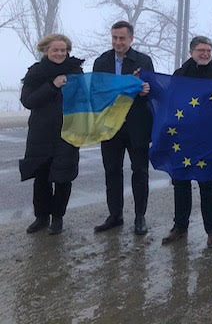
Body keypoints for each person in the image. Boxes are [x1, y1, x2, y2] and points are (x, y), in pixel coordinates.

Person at [161, 36, 212, 248]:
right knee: (180, 184)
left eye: (209, 50)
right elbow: (169, 103)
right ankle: (180, 227)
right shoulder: (179, 75)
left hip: (209, 141)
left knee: (207, 185)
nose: (205, 54)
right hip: (182, 139)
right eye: (201, 50)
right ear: (191, 52)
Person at [93, 21, 154, 235]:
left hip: (137, 125)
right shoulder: (101, 62)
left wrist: (145, 90)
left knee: (140, 172)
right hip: (110, 126)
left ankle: (140, 216)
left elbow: (151, 91)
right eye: (114, 38)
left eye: (122, 38)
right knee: (112, 172)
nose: (118, 42)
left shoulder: (143, 61)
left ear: (131, 39)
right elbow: (97, 91)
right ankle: (115, 215)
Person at [19, 34, 84, 235]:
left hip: (68, 132)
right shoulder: (35, 73)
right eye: (55, 50)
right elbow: (28, 101)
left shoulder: (76, 72)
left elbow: (85, 98)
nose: (59, 53)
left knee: (63, 177)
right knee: (42, 177)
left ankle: (57, 218)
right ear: (46, 50)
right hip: (41, 134)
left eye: (63, 50)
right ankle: (41, 217)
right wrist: (52, 86)